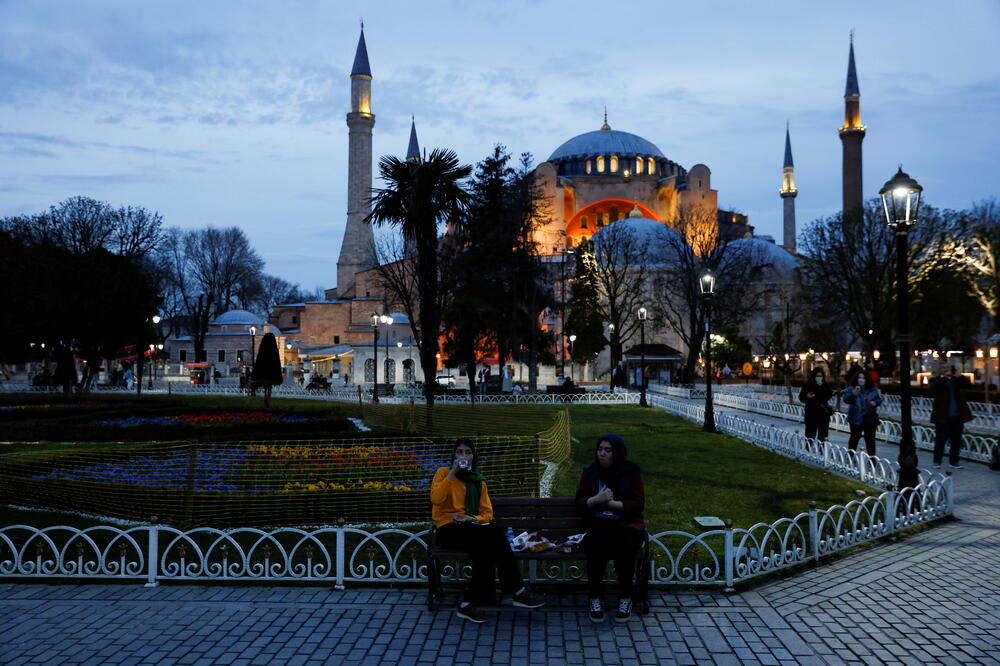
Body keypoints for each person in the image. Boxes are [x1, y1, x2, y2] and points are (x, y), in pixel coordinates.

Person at [431, 438, 543, 623]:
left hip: (470, 528)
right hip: (448, 529)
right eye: (459, 452)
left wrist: (472, 518)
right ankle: (518, 591)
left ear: (473, 457)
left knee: (485, 550)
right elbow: (436, 499)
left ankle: (467, 604)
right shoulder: (443, 473)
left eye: (468, 452)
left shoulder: (478, 482)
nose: (463, 456)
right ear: (454, 455)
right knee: (495, 534)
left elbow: (487, 513)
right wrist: (452, 473)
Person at [576, 434, 646, 623]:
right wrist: (595, 500)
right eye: (600, 450)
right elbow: (579, 502)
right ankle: (594, 598)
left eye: (608, 450)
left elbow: (638, 503)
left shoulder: (631, 472)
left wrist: (615, 505)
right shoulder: (591, 472)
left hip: (627, 524)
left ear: (618, 452)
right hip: (600, 524)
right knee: (596, 543)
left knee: (624, 544)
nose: (602, 454)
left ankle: (625, 598)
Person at [930, 364, 972, 469]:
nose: (946, 370)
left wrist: (959, 375)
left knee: (956, 440)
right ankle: (937, 461)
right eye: (943, 368)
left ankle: (954, 462)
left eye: (948, 368)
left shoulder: (956, 380)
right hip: (943, 417)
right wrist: (944, 377)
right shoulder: (936, 380)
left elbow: (968, 385)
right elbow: (933, 388)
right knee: (941, 440)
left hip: (957, 416)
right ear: (939, 370)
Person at [842, 369, 882, 456]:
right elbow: (846, 399)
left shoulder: (872, 389)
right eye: (859, 378)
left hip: (869, 418)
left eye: (863, 378)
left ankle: (872, 459)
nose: (861, 379)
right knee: (854, 438)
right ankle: (850, 457)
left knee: (870, 440)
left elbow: (879, 399)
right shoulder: (852, 388)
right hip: (856, 418)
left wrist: (875, 403)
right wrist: (853, 394)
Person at [799, 369, 833, 441]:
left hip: (823, 414)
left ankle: (821, 447)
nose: (819, 378)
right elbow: (801, 397)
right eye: (817, 376)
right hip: (811, 414)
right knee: (810, 435)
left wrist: (821, 387)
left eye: (821, 376)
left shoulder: (825, 385)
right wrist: (807, 396)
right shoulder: (808, 385)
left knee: (823, 436)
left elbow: (828, 395)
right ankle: (809, 447)